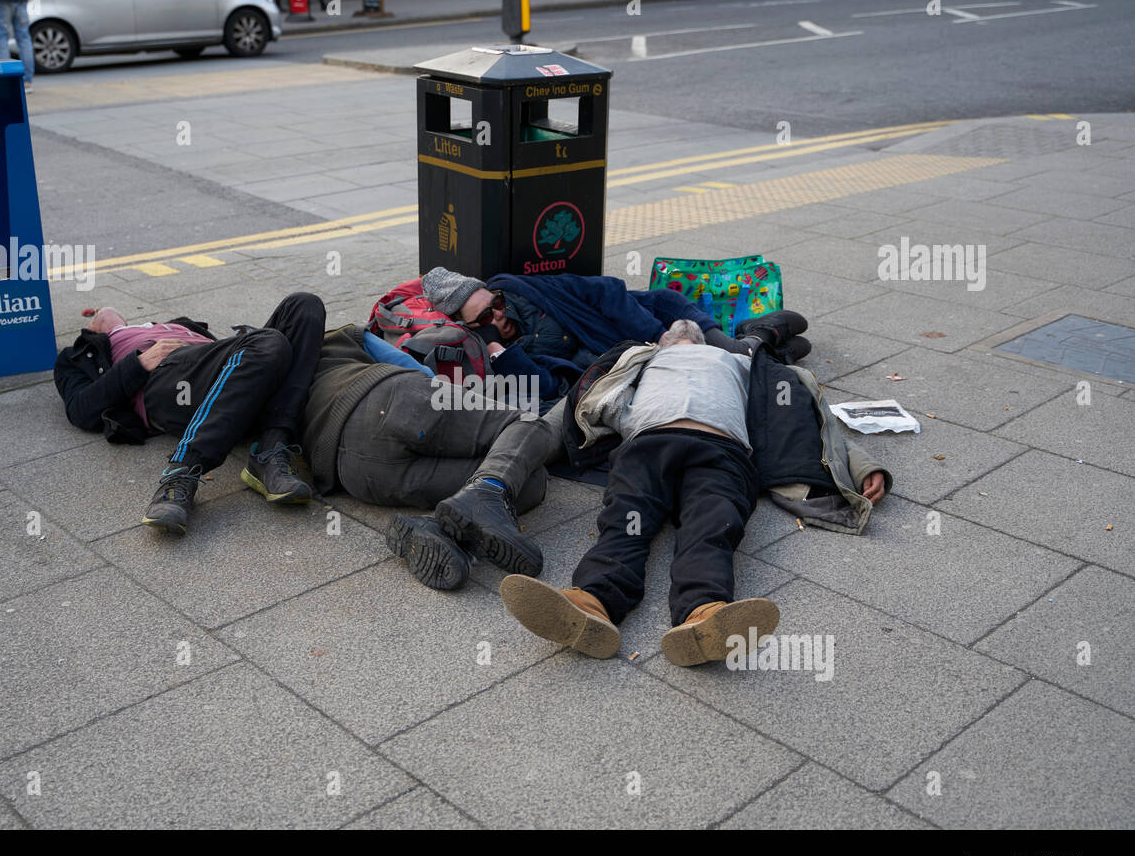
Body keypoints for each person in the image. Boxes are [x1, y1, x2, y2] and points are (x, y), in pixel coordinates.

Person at [499, 319, 891, 668]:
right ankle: (592, 603)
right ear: (663, 341)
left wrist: (859, 466)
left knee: (712, 525)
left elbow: (800, 418)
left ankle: (703, 613)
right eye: (676, 333)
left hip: (720, 451)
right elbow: (600, 398)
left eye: (691, 333)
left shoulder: (740, 362)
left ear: (708, 342)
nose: (684, 332)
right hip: (649, 445)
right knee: (626, 521)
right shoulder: (642, 357)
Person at [300, 322, 563, 590]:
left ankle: (436, 526)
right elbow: (406, 362)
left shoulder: (268, 394)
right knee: (528, 425)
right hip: (387, 401)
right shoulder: (330, 338)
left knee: (531, 481)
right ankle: (483, 494)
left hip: (354, 473)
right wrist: (449, 401)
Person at [53, 293, 325, 535]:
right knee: (268, 342)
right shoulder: (82, 353)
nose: (107, 315)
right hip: (168, 382)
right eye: (100, 317)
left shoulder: (181, 325)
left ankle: (270, 449)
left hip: (225, 372)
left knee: (304, 305)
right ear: (93, 329)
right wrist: (138, 363)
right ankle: (181, 472)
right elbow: (80, 409)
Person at [420, 266, 810, 403]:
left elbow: (605, 289)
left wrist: (657, 338)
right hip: (632, 362)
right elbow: (542, 387)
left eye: (497, 302)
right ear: (470, 326)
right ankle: (768, 340)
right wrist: (497, 346)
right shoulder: (495, 352)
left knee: (733, 358)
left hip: (658, 320)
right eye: (486, 316)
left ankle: (755, 341)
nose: (499, 313)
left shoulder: (525, 290)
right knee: (731, 376)